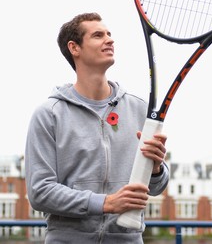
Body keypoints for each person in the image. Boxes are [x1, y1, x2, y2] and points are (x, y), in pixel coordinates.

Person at [25, 12, 169, 244]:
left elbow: (156, 187)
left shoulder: (138, 109)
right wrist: (105, 203)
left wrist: (156, 169)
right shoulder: (49, 115)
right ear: (74, 48)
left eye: (110, 34)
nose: (109, 40)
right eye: (98, 35)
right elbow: (40, 192)